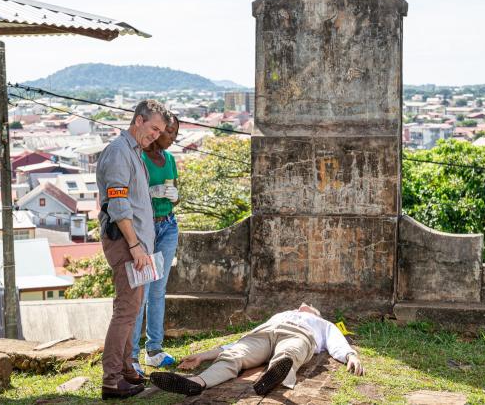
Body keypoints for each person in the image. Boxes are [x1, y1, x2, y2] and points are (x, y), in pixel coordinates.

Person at [96, 99, 171, 400]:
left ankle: (126, 369)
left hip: (137, 244)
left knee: (132, 308)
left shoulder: (134, 152)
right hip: (127, 244)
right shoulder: (118, 152)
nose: (156, 135)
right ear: (138, 120)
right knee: (126, 311)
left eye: (160, 131)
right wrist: (136, 245)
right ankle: (112, 379)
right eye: (153, 128)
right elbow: (118, 204)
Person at [150, 303, 364, 397]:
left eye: (307, 305)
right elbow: (234, 345)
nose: (302, 305)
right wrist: (203, 356)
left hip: (297, 334)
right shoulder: (280, 314)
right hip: (264, 332)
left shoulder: (320, 322)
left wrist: (350, 355)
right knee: (234, 355)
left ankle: (272, 377)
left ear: (314, 312)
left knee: (290, 352)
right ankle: (196, 383)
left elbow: (335, 339)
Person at [130, 114, 181, 373]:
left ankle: (155, 349)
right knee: (140, 291)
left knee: (158, 290)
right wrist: (151, 194)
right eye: (168, 132)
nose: (171, 138)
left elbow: (175, 194)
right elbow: (131, 196)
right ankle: (132, 357)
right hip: (145, 228)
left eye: (174, 133)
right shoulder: (138, 157)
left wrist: (174, 197)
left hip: (168, 225)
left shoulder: (169, 159)